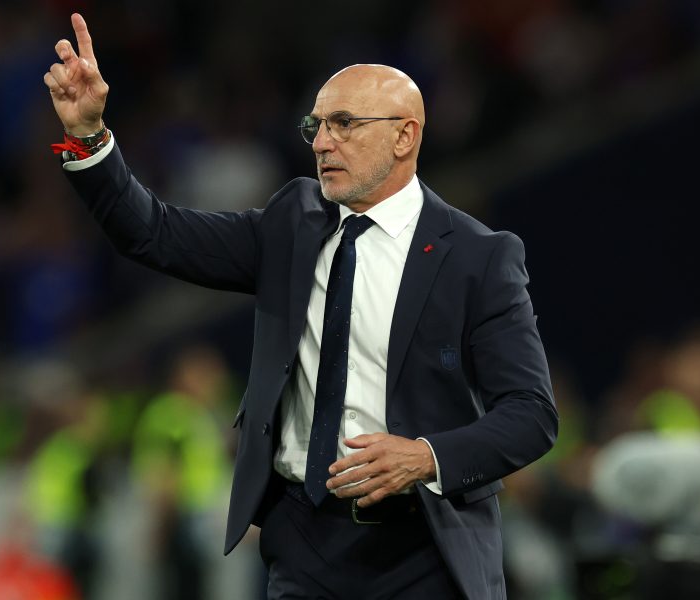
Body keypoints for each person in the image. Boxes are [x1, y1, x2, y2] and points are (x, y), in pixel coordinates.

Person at [43, 13, 558, 599]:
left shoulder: (477, 256)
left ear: (405, 136)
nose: (320, 142)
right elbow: (154, 234)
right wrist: (89, 136)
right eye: (316, 124)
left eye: (344, 124)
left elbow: (531, 415)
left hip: (425, 549)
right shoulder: (292, 224)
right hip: (305, 544)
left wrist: (426, 457)